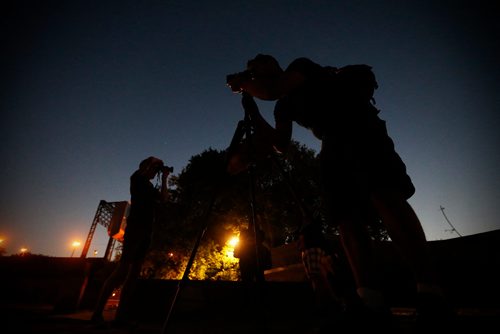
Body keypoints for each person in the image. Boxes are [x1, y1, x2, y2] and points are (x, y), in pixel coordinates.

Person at [226, 54, 455, 329]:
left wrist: (244, 84)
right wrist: (254, 113)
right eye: (251, 69)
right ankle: (370, 301)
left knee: (386, 200)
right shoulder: (282, 106)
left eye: (259, 65)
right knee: (346, 221)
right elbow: (280, 143)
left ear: (274, 65)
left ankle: (431, 292)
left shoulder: (300, 67)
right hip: (332, 147)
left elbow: (272, 90)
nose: (254, 71)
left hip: (359, 128)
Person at [91, 156, 170, 326]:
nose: (156, 171)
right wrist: (155, 163)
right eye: (155, 168)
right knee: (122, 271)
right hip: (135, 229)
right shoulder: (137, 178)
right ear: (147, 167)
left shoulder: (149, 186)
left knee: (133, 275)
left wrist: (164, 179)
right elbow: (144, 169)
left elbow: (164, 199)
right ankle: (97, 313)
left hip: (146, 231)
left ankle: (121, 317)